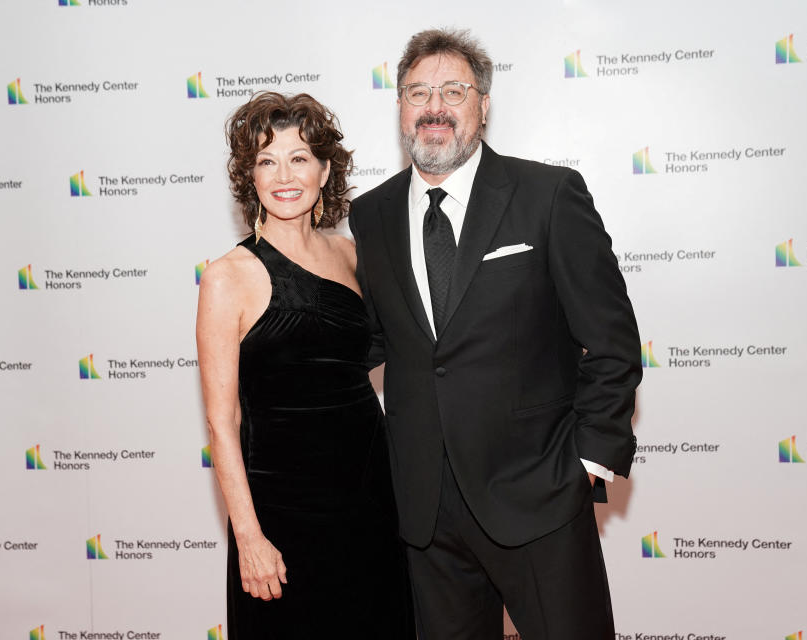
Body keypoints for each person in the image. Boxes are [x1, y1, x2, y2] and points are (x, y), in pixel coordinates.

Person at [348, 29, 642, 639]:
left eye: (453, 91)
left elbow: (611, 340)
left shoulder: (549, 194)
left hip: (538, 492)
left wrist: (588, 461)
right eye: (417, 92)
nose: (434, 107)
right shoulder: (370, 214)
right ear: (399, 107)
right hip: (425, 509)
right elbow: (376, 340)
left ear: (483, 105)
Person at [196, 92, 414, 639]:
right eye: (266, 161)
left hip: (370, 493)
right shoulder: (228, 276)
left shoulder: (351, 255)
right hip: (283, 511)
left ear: (324, 169)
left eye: (298, 158)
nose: (283, 175)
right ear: (250, 177)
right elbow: (222, 423)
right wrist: (248, 536)